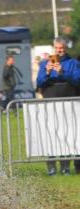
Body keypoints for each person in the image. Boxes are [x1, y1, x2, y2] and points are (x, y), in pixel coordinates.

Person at [36, 37, 80, 175]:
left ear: (66, 48)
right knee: (51, 134)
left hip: (69, 104)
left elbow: (78, 80)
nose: (59, 50)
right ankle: (51, 167)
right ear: (53, 48)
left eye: (61, 48)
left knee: (67, 135)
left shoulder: (73, 63)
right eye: (57, 48)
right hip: (50, 103)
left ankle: (65, 166)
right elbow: (39, 83)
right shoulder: (44, 64)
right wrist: (48, 73)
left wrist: (62, 73)